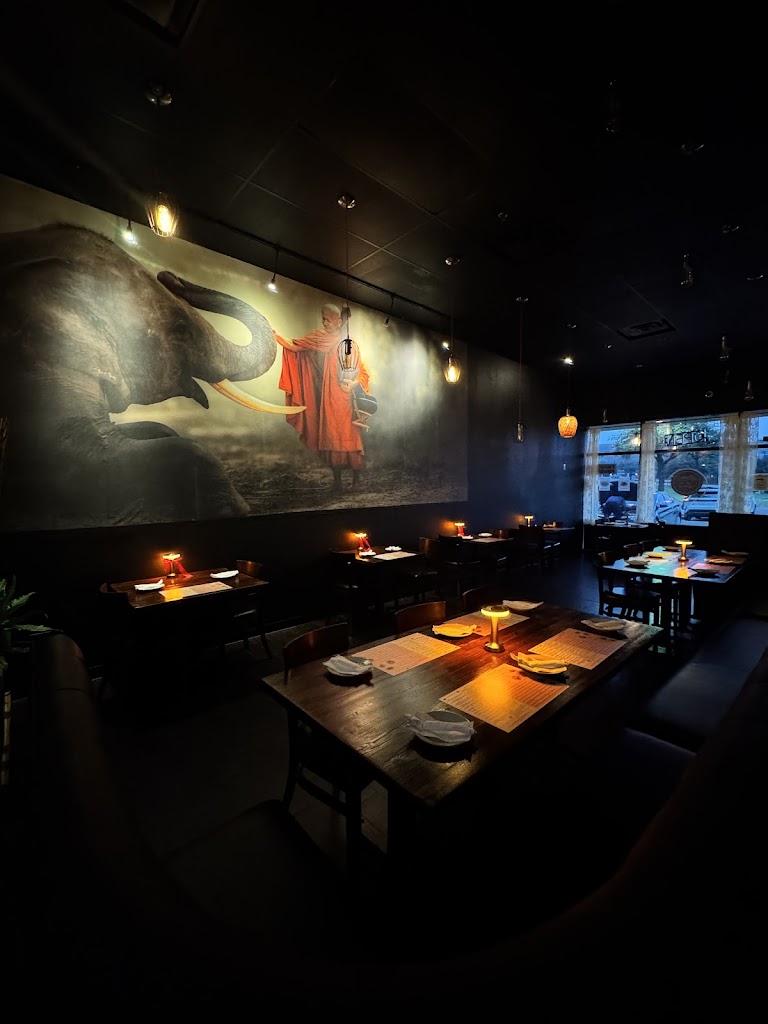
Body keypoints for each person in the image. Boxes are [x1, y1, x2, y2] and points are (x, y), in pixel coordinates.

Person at [275, 303, 372, 493]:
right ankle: (337, 482)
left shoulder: (350, 344)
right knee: (331, 438)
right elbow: (294, 346)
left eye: (328, 319)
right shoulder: (320, 337)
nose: (325, 322)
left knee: (351, 438)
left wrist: (354, 384)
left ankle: (356, 481)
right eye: (323, 319)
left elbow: (363, 372)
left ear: (339, 321)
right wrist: (275, 335)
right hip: (329, 397)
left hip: (347, 400)